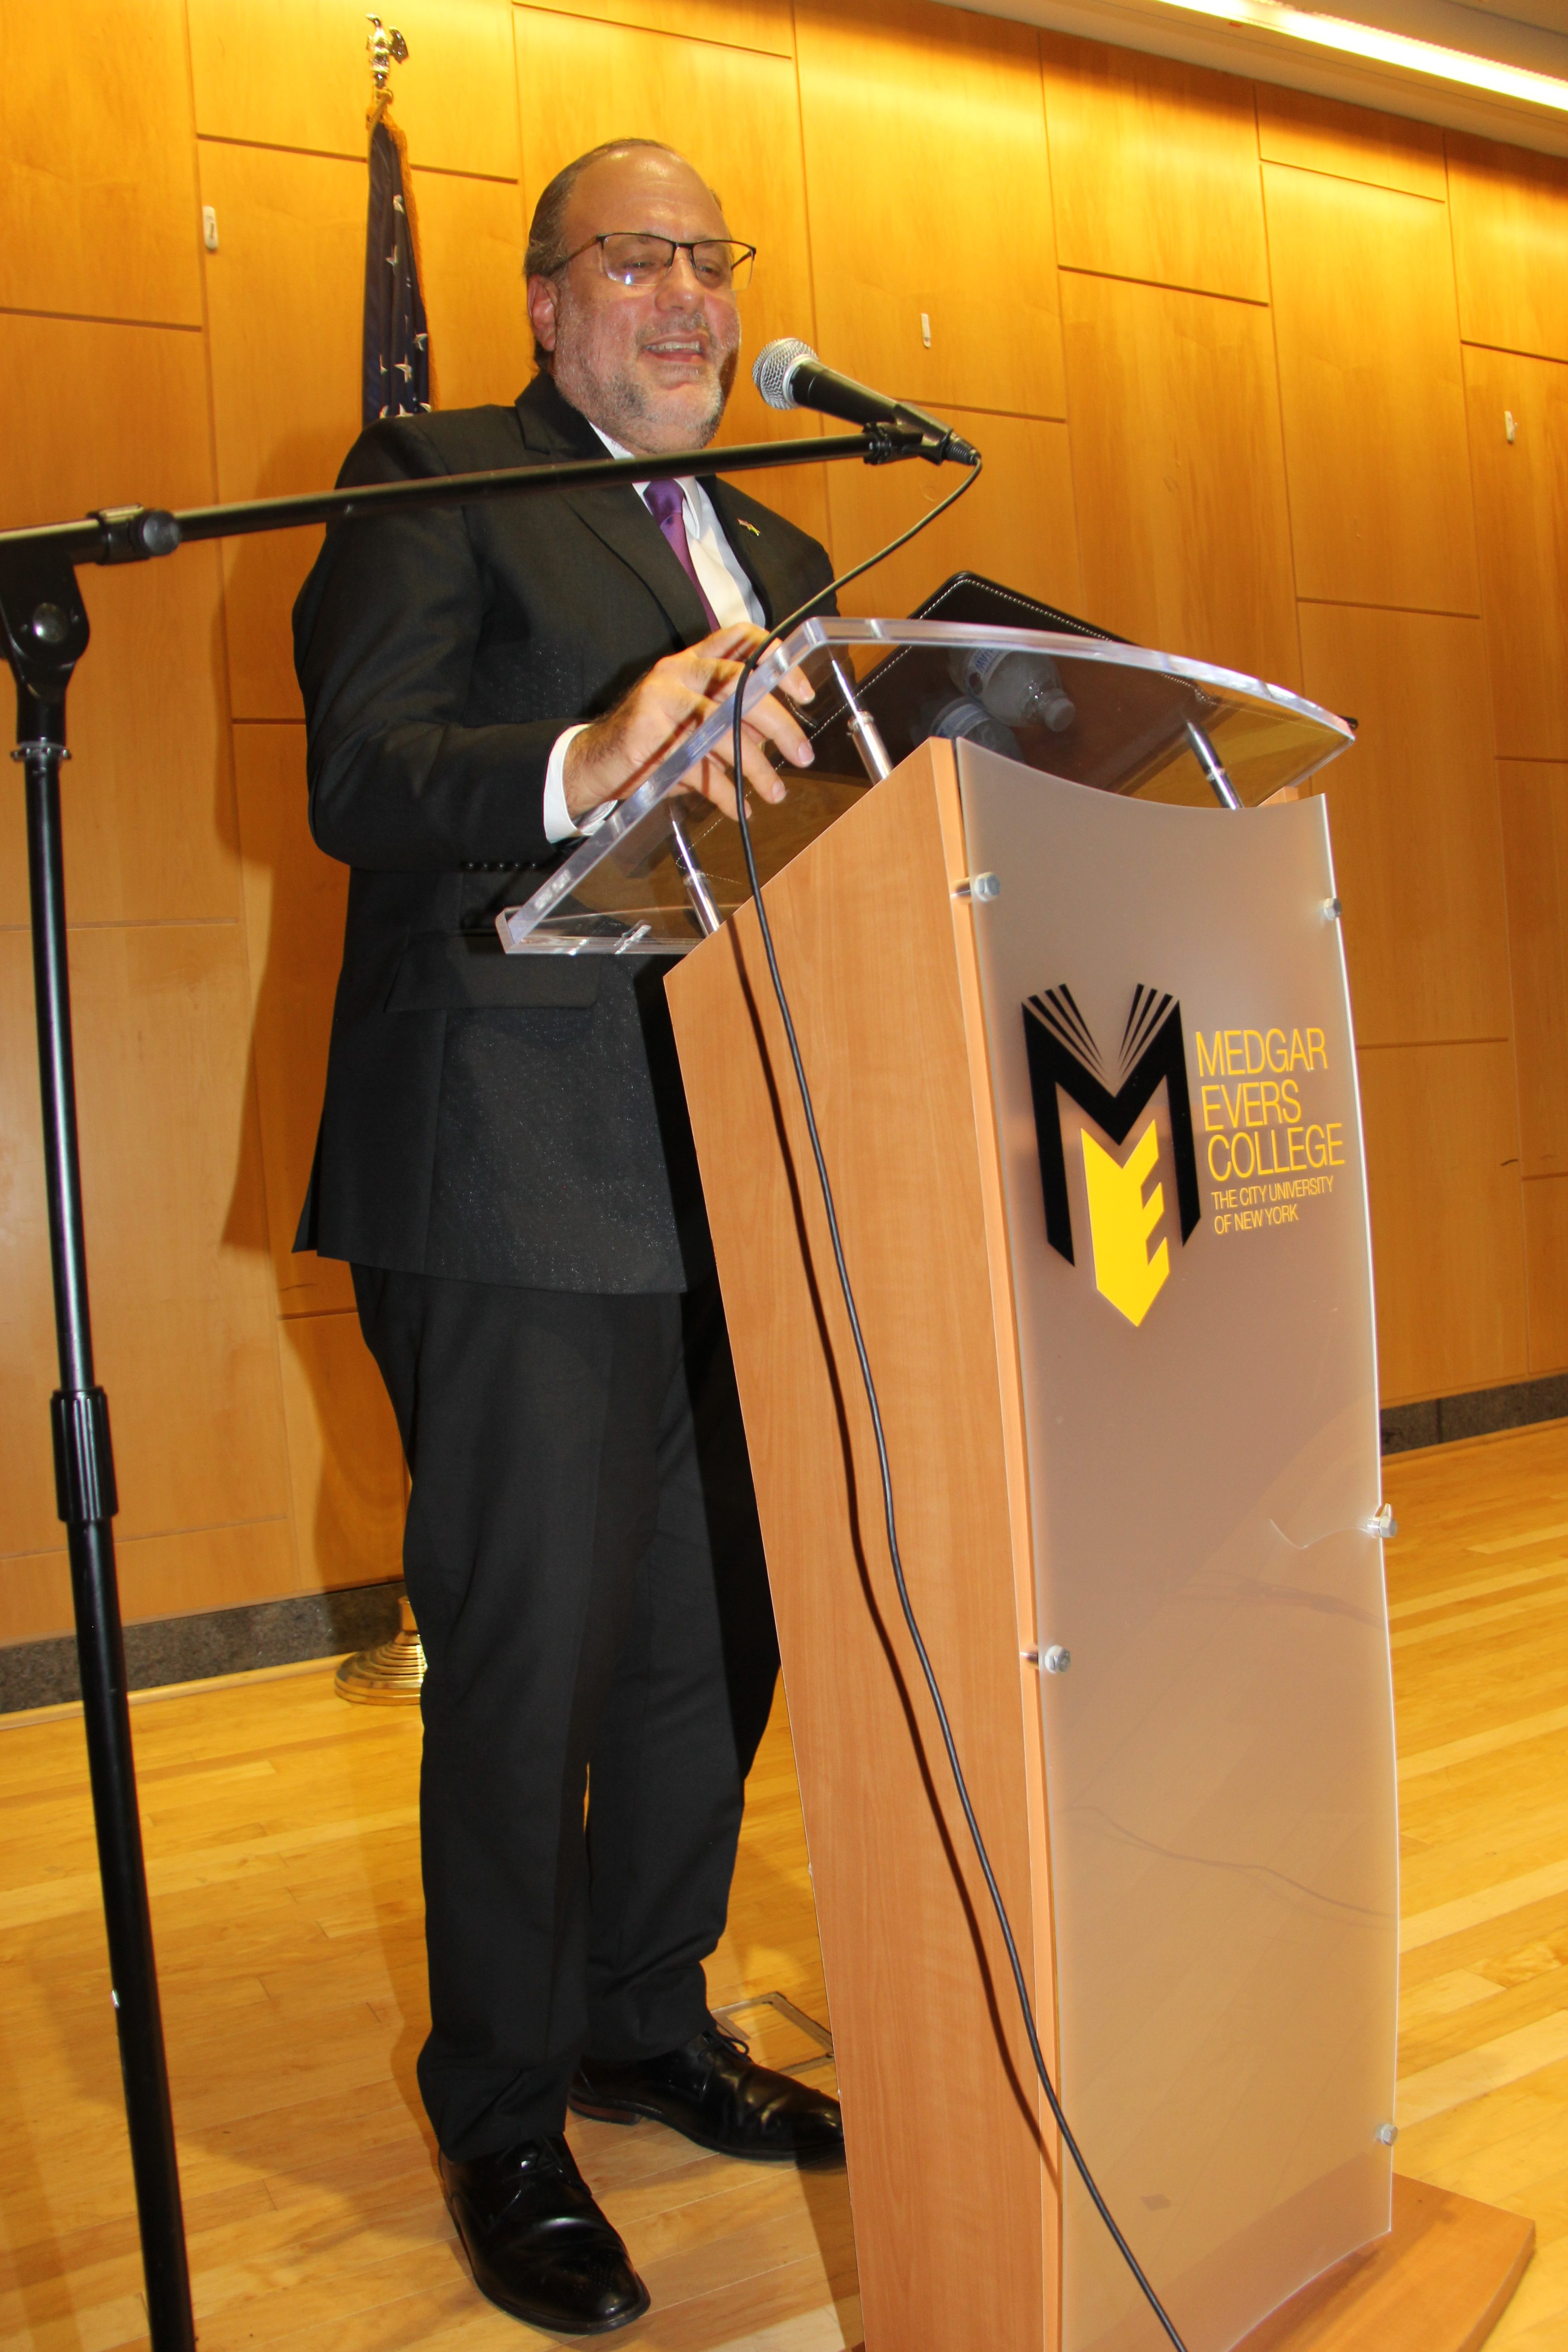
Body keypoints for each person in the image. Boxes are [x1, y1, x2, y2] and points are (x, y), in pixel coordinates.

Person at [292, 138, 843, 2336]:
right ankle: (503, 2107)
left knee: (713, 1645)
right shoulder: (430, 477)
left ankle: (645, 2015)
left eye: (714, 261)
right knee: (527, 1661)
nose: (690, 299)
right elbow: (361, 770)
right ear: (546, 301)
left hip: (751, 1160)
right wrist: (586, 748)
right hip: (512, 1158)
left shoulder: (796, 540)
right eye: (641, 260)